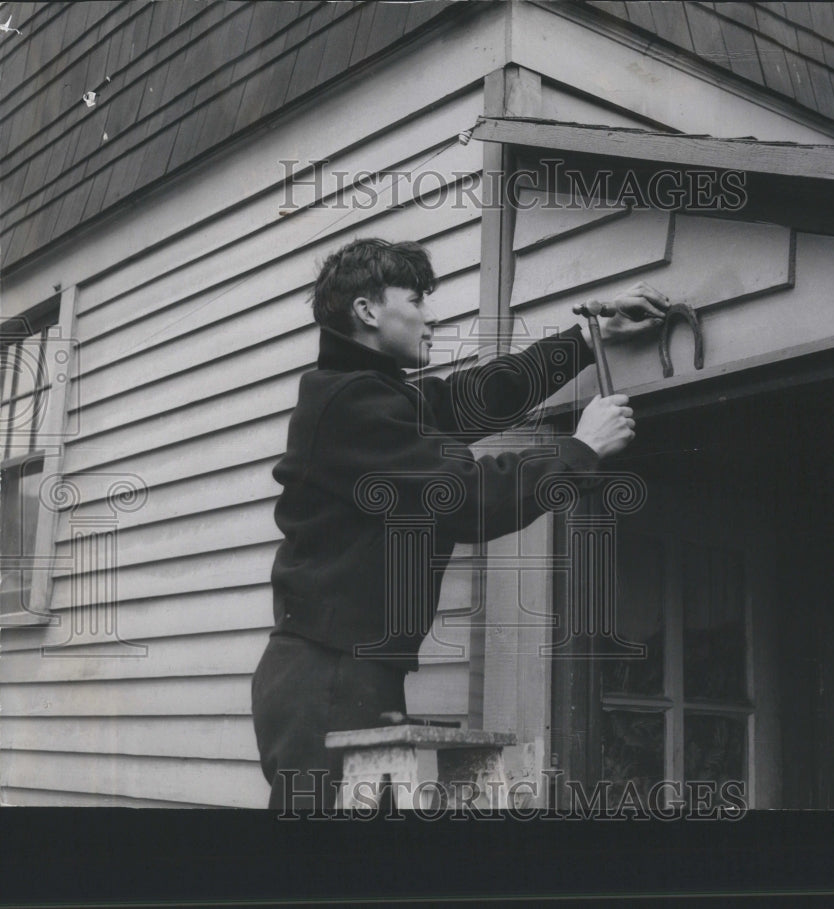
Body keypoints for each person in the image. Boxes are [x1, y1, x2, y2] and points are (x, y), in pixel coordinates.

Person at [251, 237, 667, 811]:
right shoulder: (350, 408)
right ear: (368, 311)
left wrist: (591, 338)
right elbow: (464, 498)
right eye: (417, 301)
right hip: (329, 679)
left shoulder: (369, 397)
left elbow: (479, 397)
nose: (432, 315)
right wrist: (578, 451)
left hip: (345, 673)